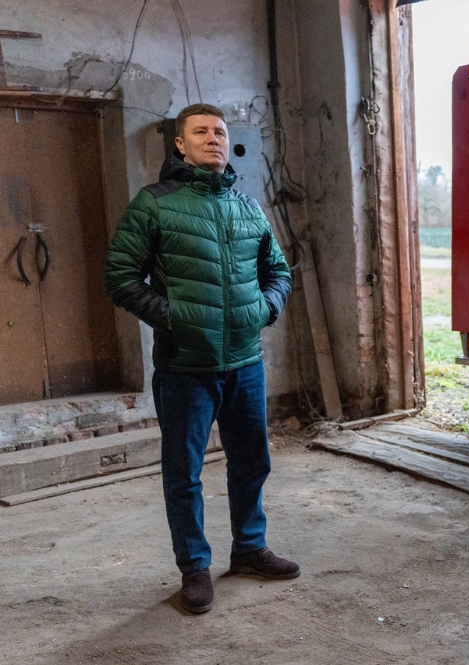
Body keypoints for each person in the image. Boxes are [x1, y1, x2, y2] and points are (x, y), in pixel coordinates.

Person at [104, 103, 297, 615]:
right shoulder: (154, 204)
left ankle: (250, 549)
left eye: (219, 132)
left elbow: (279, 271)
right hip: (185, 366)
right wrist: (175, 318)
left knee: (252, 461)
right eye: (200, 132)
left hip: (245, 363)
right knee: (184, 472)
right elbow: (120, 278)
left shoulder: (247, 206)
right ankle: (194, 567)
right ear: (180, 145)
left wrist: (264, 308)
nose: (213, 139)